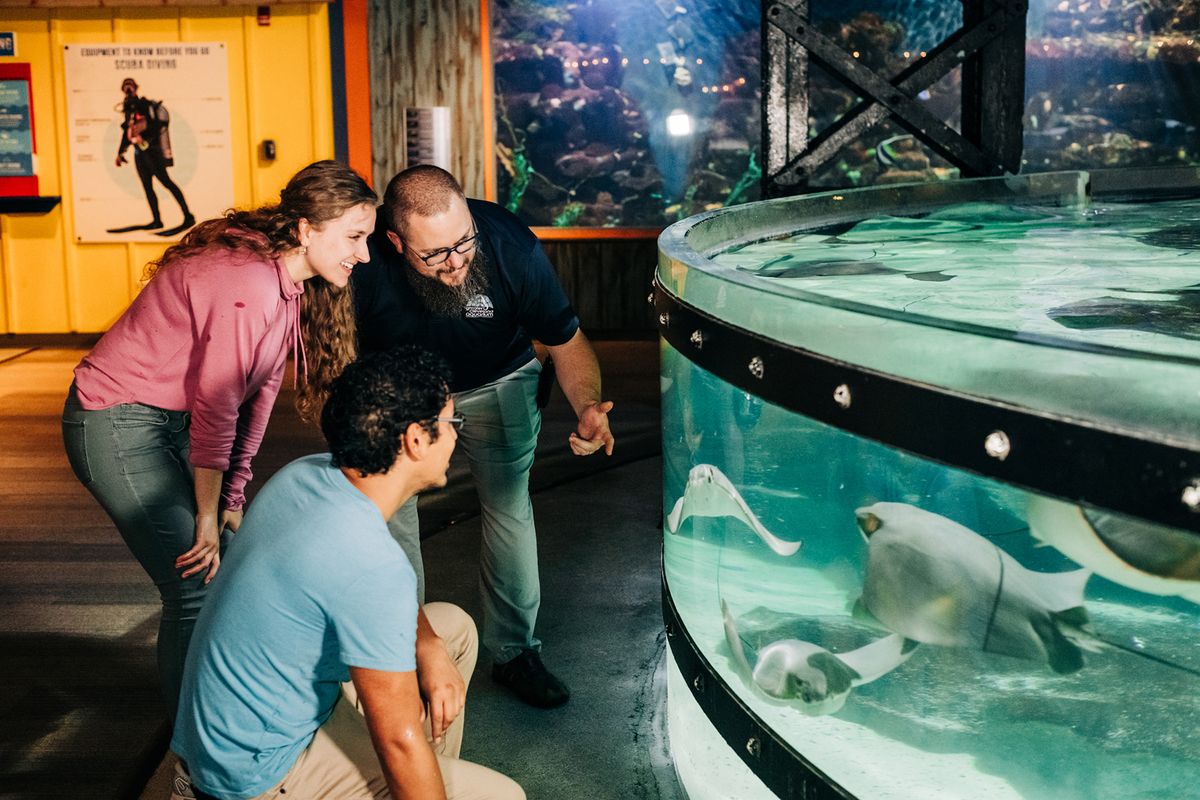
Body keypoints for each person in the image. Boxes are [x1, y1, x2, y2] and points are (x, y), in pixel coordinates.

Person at [62, 159, 376, 722]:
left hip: (165, 421)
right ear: (307, 230)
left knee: (225, 570)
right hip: (113, 419)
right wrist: (207, 514)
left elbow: (261, 392)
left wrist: (232, 499)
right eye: (354, 237)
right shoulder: (247, 283)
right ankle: (193, 761)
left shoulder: (286, 285)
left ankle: (226, 721)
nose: (365, 253)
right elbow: (217, 404)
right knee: (194, 586)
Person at [172, 347, 525, 800]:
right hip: (257, 770)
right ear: (417, 440)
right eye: (452, 424)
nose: (457, 437)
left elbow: (367, 592)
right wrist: (408, 756)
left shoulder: (306, 476)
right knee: (504, 796)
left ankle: (428, 776)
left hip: (229, 730)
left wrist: (429, 644)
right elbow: (397, 739)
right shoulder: (370, 560)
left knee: (452, 629)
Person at [353, 164, 615, 708]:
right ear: (396, 241)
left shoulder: (508, 245)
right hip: (400, 394)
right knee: (391, 521)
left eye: (463, 242)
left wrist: (588, 406)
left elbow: (565, 341)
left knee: (509, 508)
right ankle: (405, 653)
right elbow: (335, 356)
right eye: (435, 254)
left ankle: (516, 653)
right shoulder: (360, 260)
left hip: (500, 379)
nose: (457, 263)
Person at [109, 77, 195, 237]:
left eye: (130, 86)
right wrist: (120, 153)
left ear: (136, 88)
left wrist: (146, 138)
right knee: (147, 187)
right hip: (139, 153)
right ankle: (157, 220)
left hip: (152, 151)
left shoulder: (145, 105)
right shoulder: (129, 109)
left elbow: (156, 126)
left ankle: (188, 216)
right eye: (125, 86)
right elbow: (127, 132)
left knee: (166, 182)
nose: (128, 89)